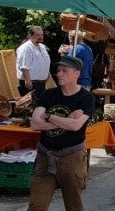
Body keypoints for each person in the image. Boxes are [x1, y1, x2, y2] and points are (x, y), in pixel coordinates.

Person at [28, 55, 95, 211]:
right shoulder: (49, 95)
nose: (59, 74)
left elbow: (75, 126)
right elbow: (35, 123)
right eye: (58, 70)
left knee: (74, 206)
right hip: (46, 156)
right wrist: (64, 119)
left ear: (76, 74)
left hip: (71, 157)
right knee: (37, 205)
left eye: (64, 71)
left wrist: (49, 117)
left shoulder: (86, 98)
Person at [17, 26, 51, 99]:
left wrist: (46, 75)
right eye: (37, 35)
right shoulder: (26, 48)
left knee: (40, 105)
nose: (40, 37)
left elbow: (44, 62)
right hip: (31, 83)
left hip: (41, 84)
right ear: (30, 35)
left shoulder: (42, 47)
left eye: (41, 35)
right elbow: (24, 66)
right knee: (30, 107)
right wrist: (27, 81)